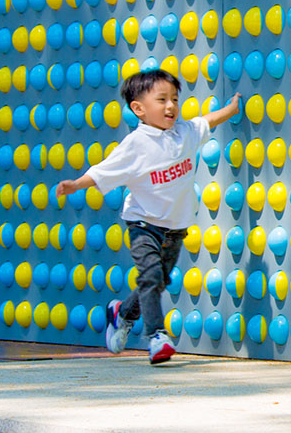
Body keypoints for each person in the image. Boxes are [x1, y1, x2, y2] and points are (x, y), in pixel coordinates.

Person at [56, 71, 241, 363]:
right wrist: (76, 185)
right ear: (138, 109)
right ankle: (157, 335)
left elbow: (208, 121)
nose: (171, 106)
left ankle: (122, 313)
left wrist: (230, 110)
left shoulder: (185, 133)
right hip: (143, 224)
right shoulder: (136, 144)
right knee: (151, 276)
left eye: (175, 99)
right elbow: (103, 170)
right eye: (162, 100)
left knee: (158, 280)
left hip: (175, 228)